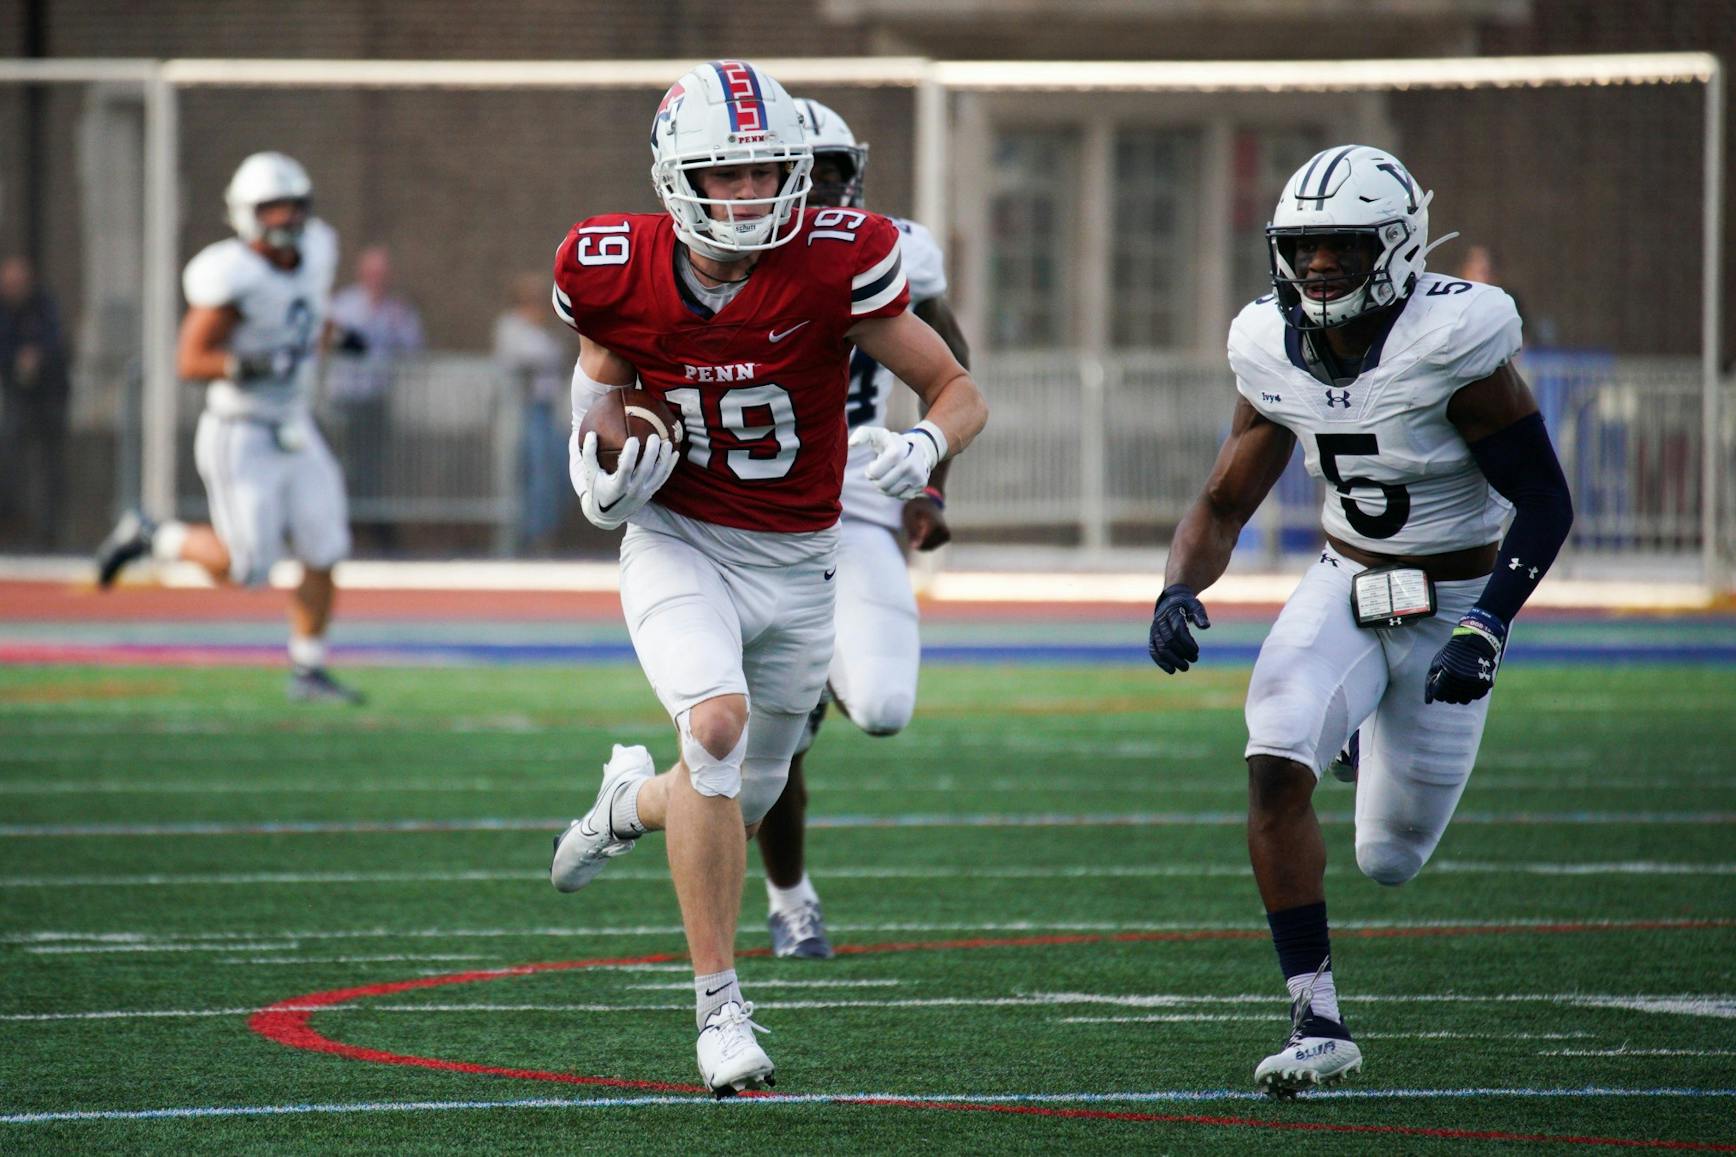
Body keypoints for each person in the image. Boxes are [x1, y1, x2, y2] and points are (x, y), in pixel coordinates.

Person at [545, 60, 987, 1096]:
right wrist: (605, 473)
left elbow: (955, 386)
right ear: (674, 177)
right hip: (680, 539)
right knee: (712, 724)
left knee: (729, 801)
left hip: (800, 560)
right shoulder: (611, 264)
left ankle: (625, 803)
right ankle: (719, 1012)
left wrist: (925, 448)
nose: (749, 196)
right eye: (724, 175)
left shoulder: (836, 259)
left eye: (764, 172)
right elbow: (594, 409)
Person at [1146, 145, 1572, 1096]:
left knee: (1389, 856)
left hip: (1456, 596)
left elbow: (1545, 501)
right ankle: (1316, 1017)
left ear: (1397, 245)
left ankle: (1370, 732)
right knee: (1273, 752)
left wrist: (1488, 625)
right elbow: (1222, 500)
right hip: (1346, 578)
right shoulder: (1267, 344)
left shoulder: (1450, 340)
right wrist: (1177, 586)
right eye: (1306, 247)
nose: (1321, 266)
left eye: (1342, 245)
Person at [751, 98, 972, 960]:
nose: (821, 194)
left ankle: (811, 686)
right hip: (751, 515)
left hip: (855, 501)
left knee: (880, 708)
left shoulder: (892, 250)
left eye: (833, 175)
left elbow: (951, 370)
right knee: (768, 735)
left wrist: (932, 486)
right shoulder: (722, 256)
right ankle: (789, 896)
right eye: (805, 177)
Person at [94, 152, 364, 705]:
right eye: (272, 207)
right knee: (247, 566)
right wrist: (247, 364)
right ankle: (151, 535)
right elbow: (190, 359)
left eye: (293, 205)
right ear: (246, 214)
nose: (287, 217)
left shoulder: (316, 252)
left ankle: (308, 669)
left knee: (326, 542)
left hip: (293, 423)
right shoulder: (231, 274)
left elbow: (301, 313)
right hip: (240, 429)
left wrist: (336, 336)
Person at [326, 245, 424, 553]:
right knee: (344, 465)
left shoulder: (397, 310)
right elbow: (326, 337)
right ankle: (341, 530)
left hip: (375, 400)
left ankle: (378, 533)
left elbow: (414, 349)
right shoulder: (345, 304)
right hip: (345, 399)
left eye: (382, 274)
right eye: (372, 273)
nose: (376, 280)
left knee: (374, 469)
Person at [492, 272, 573, 554]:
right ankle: (528, 538)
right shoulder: (511, 326)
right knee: (532, 475)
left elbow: (560, 354)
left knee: (559, 473)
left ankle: (546, 531)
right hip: (525, 410)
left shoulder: (548, 327)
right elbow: (526, 357)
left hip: (550, 409)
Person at [0, 255, 71, 549]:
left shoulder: (44, 306)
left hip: (49, 396)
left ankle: (48, 532)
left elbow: (57, 342)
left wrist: (38, 357)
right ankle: (11, 525)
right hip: (15, 397)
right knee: (11, 461)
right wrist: (16, 359)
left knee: (49, 466)